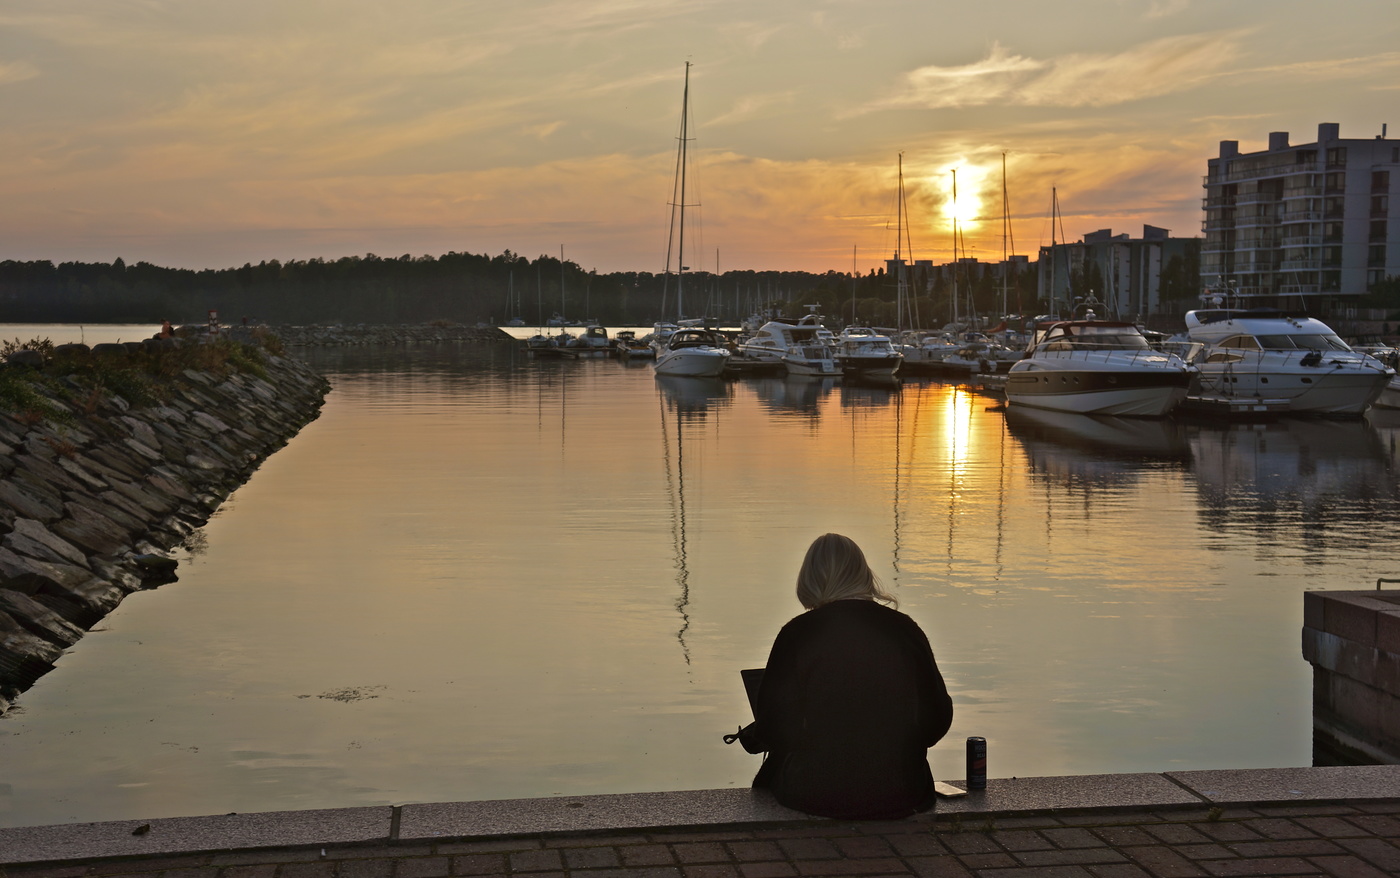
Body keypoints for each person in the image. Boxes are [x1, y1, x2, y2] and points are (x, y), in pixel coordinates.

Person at [735, 533, 953, 819]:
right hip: (903, 792)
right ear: (863, 573)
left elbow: (774, 727)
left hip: (816, 792)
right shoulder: (905, 630)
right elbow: (937, 719)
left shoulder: (798, 633)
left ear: (809, 578)